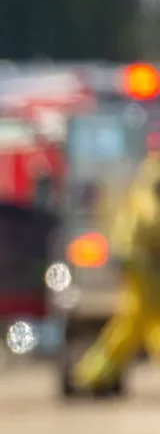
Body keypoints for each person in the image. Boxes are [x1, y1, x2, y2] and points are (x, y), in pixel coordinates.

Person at [71, 150, 160, 394]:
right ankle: (92, 373)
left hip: (137, 261)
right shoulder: (150, 188)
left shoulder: (145, 181)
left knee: (145, 319)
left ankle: (93, 372)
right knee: (137, 318)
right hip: (140, 262)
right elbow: (150, 223)